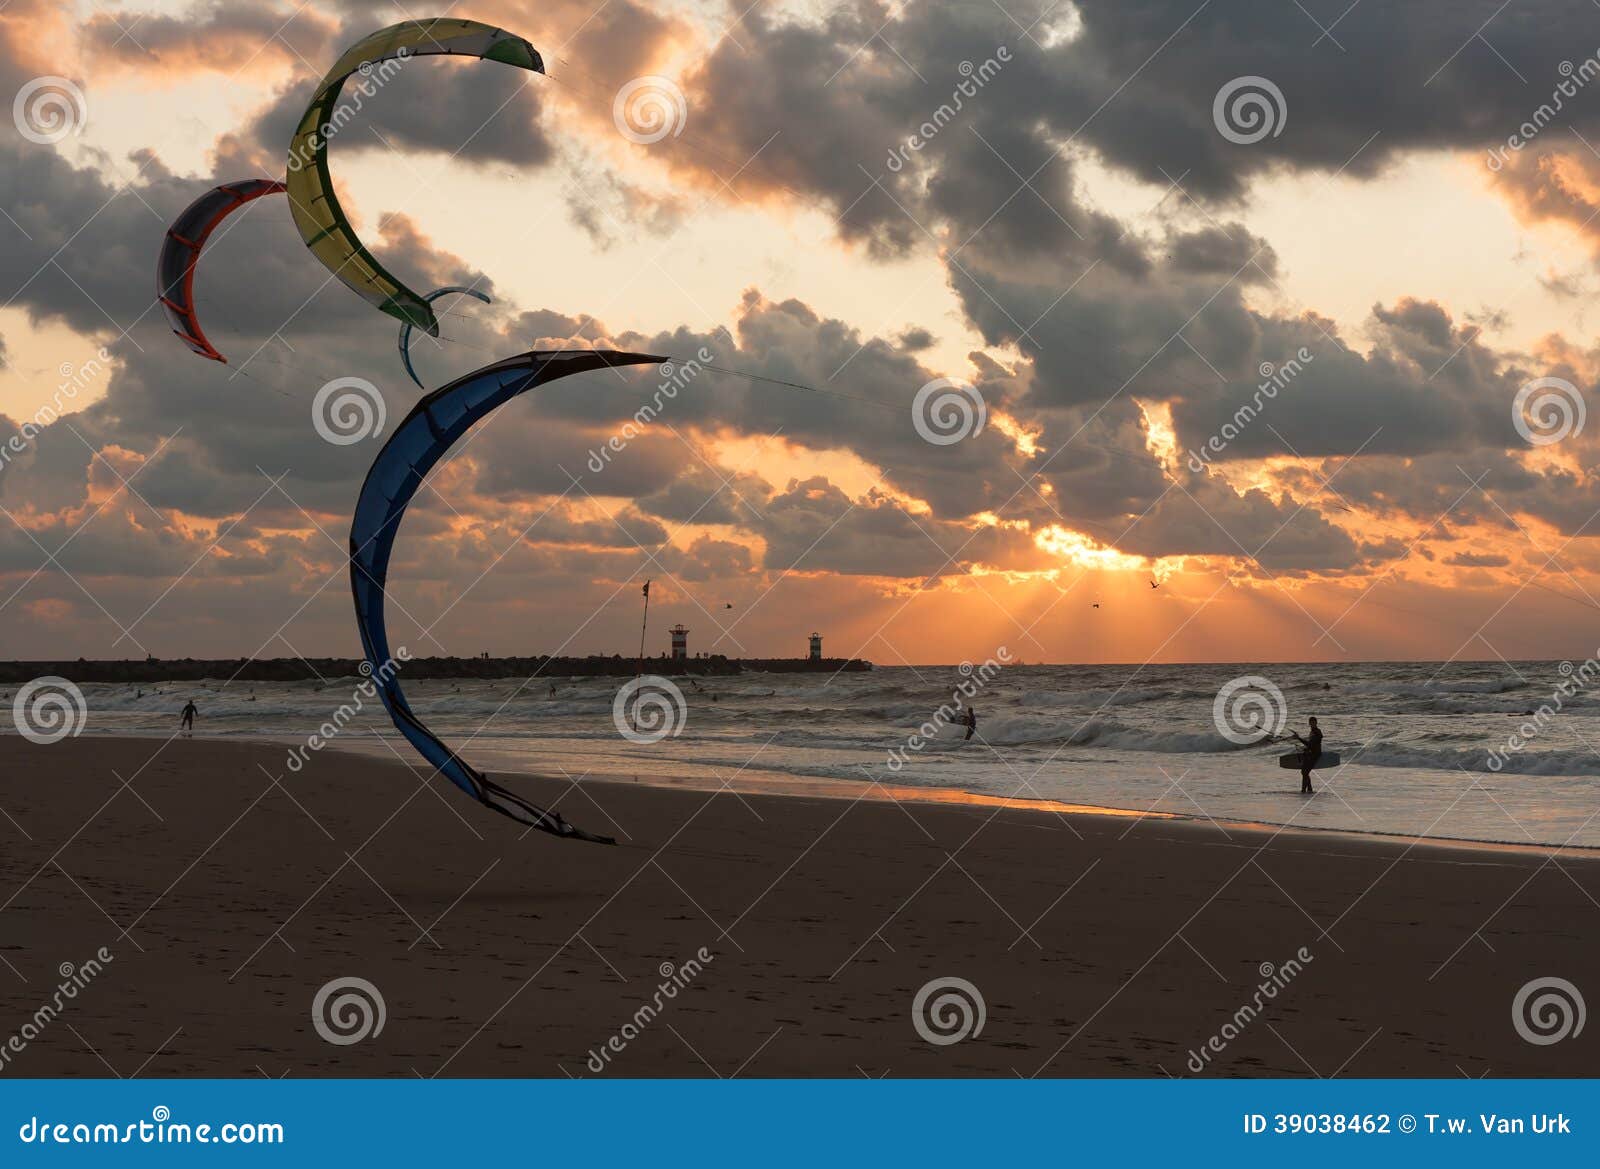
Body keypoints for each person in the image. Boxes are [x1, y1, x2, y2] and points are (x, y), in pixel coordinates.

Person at [1289, 716, 1321, 794]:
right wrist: (1305, 748)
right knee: (1304, 772)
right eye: (1311, 723)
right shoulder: (1312, 731)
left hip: (1315, 755)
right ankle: (1309, 789)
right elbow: (1310, 744)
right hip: (1310, 754)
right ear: (1309, 723)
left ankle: (1304, 790)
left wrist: (1298, 738)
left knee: (1305, 772)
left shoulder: (1317, 732)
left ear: (1316, 723)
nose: (1312, 724)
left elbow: (1311, 744)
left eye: (1313, 722)